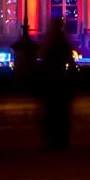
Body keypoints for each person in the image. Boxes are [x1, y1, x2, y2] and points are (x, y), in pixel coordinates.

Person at [37, 16, 77, 149]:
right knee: (62, 113)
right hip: (61, 80)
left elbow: (43, 62)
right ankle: (61, 139)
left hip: (51, 81)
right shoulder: (64, 43)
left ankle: (52, 139)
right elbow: (71, 63)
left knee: (51, 112)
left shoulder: (49, 43)